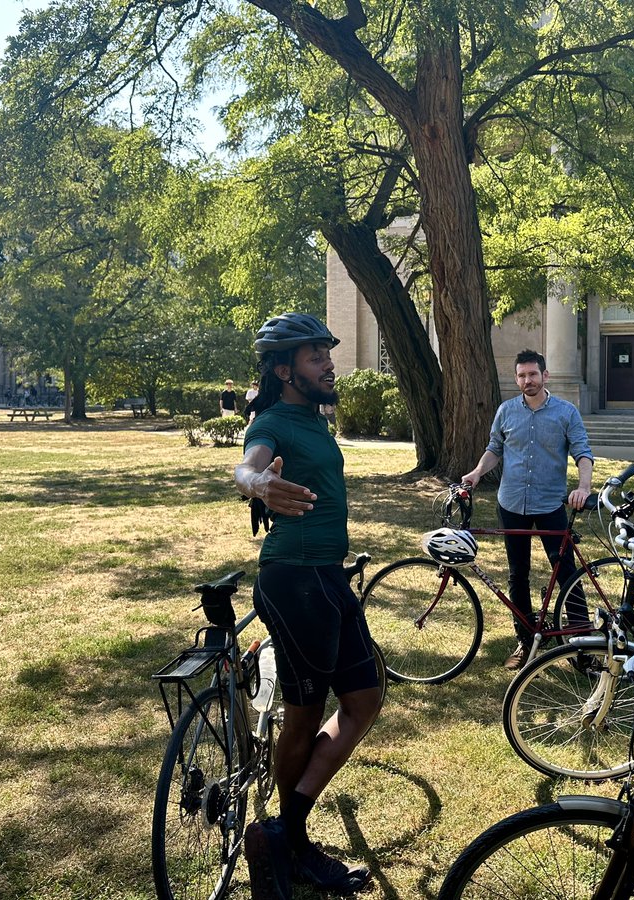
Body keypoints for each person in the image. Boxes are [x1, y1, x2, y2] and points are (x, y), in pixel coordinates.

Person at [234, 313, 381, 899]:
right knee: (303, 710)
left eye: (326, 352)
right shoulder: (271, 421)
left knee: (364, 699)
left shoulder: (315, 420)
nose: (327, 362)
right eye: (314, 355)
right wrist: (255, 484)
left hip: (325, 578)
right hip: (293, 581)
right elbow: (247, 464)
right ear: (282, 369)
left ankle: (283, 831)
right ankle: (285, 841)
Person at [461, 349, 595, 669]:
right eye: (521, 375)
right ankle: (525, 640)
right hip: (511, 504)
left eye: (533, 374)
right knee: (517, 576)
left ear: (545, 375)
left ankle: (583, 646)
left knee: (566, 574)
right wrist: (478, 472)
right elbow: (494, 449)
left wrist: (584, 487)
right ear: (516, 378)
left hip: (549, 504)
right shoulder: (506, 411)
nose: (527, 380)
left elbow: (583, 453)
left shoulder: (566, 412)